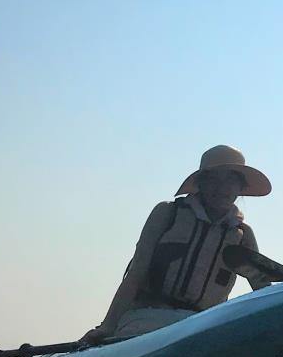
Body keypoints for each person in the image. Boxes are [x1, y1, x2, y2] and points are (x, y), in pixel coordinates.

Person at [84, 145, 273, 343]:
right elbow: (136, 272)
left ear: (240, 187)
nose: (222, 188)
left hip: (201, 326)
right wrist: (108, 326)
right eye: (214, 179)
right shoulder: (167, 214)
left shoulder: (242, 234)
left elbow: (263, 290)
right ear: (200, 183)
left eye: (230, 180)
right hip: (148, 317)